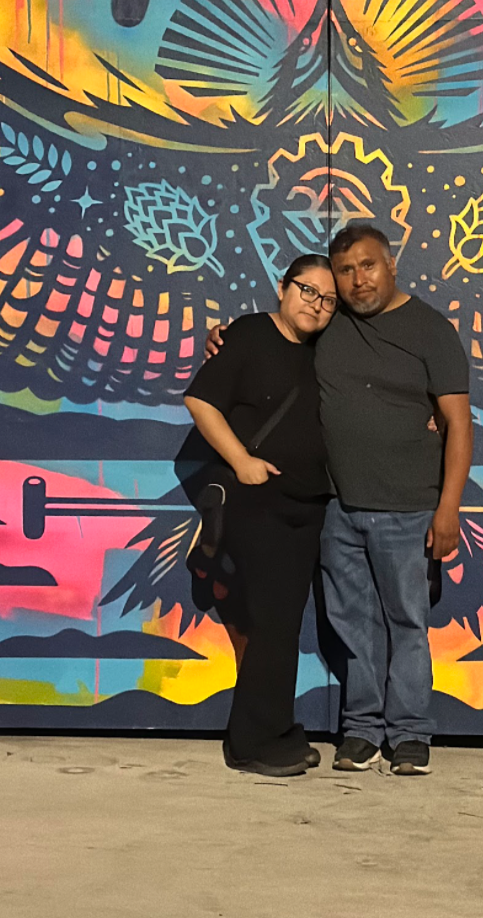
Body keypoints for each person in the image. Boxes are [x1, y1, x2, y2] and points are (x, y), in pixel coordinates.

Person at [208, 223, 473, 776]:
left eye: (367, 265)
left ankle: (409, 735)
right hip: (339, 509)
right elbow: (278, 334)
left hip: (409, 509)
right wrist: (225, 337)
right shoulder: (330, 324)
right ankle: (361, 730)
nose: (357, 280)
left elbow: (457, 422)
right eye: (346, 271)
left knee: (407, 624)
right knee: (352, 625)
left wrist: (448, 508)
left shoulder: (432, 330)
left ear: (392, 265)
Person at [183, 252, 338, 778]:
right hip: (258, 506)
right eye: (307, 290)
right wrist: (241, 461)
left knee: (282, 624)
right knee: (269, 622)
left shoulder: (326, 350)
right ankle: (250, 743)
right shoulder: (248, 334)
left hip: (308, 504)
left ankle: (277, 730)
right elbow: (200, 400)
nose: (315, 304)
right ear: (282, 287)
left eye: (327, 299)